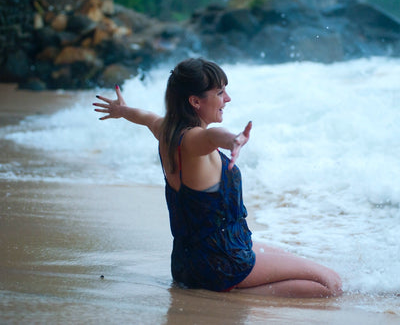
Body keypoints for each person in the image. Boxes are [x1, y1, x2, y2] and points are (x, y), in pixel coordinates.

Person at [93, 58, 342, 298]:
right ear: (195, 101)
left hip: (187, 263)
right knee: (331, 284)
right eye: (220, 92)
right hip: (220, 263)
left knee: (290, 258)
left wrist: (122, 110)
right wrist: (233, 140)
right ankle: (231, 297)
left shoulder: (165, 130)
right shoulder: (194, 140)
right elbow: (213, 136)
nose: (228, 98)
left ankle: (223, 290)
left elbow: (144, 116)